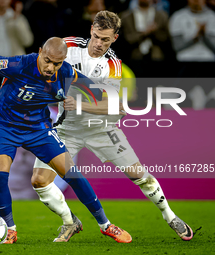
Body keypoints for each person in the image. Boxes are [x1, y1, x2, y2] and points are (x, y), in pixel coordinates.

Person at [31, 10, 194, 242]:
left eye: (105, 39)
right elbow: (40, 65)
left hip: (102, 129)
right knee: (39, 181)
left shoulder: (113, 65)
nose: (98, 43)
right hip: (66, 130)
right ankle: (70, 222)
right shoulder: (68, 46)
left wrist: (79, 105)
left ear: (115, 38)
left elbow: (116, 108)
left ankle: (171, 216)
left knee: (140, 176)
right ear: (91, 30)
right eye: (96, 36)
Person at [0, 37, 132, 244]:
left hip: (38, 128)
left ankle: (106, 225)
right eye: (47, 60)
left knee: (72, 173)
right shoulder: (19, 64)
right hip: (3, 125)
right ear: (40, 52)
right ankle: (10, 230)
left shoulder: (66, 73)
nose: (51, 67)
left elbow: (97, 92)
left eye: (57, 63)